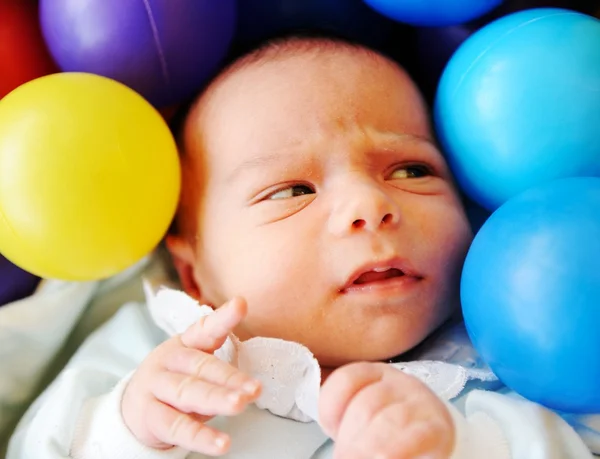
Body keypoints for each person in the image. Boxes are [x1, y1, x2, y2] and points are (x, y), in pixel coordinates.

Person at [7, 36, 598, 459]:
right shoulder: (159, 358)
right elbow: (34, 445)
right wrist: (129, 428)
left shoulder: (509, 357)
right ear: (192, 274)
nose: (369, 204)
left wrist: (456, 444)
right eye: (293, 189)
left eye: (412, 170)